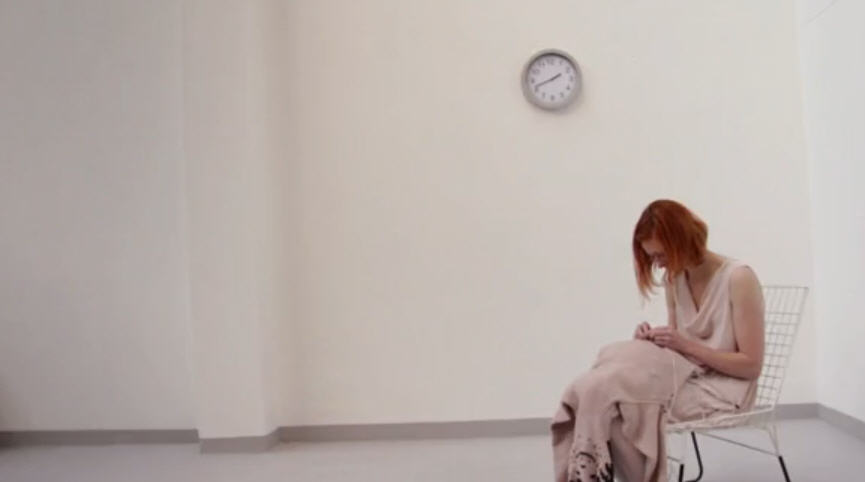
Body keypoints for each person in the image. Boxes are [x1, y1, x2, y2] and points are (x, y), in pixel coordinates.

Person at [611, 199, 765, 480]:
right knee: (613, 397)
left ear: (682, 241)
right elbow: (677, 356)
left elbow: (751, 366)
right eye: (651, 257)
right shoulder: (674, 279)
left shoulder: (738, 278)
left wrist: (685, 345)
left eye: (660, 255)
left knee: (631, 410)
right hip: (687, 380)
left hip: (727, 391)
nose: (658, 264)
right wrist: (653, 342)